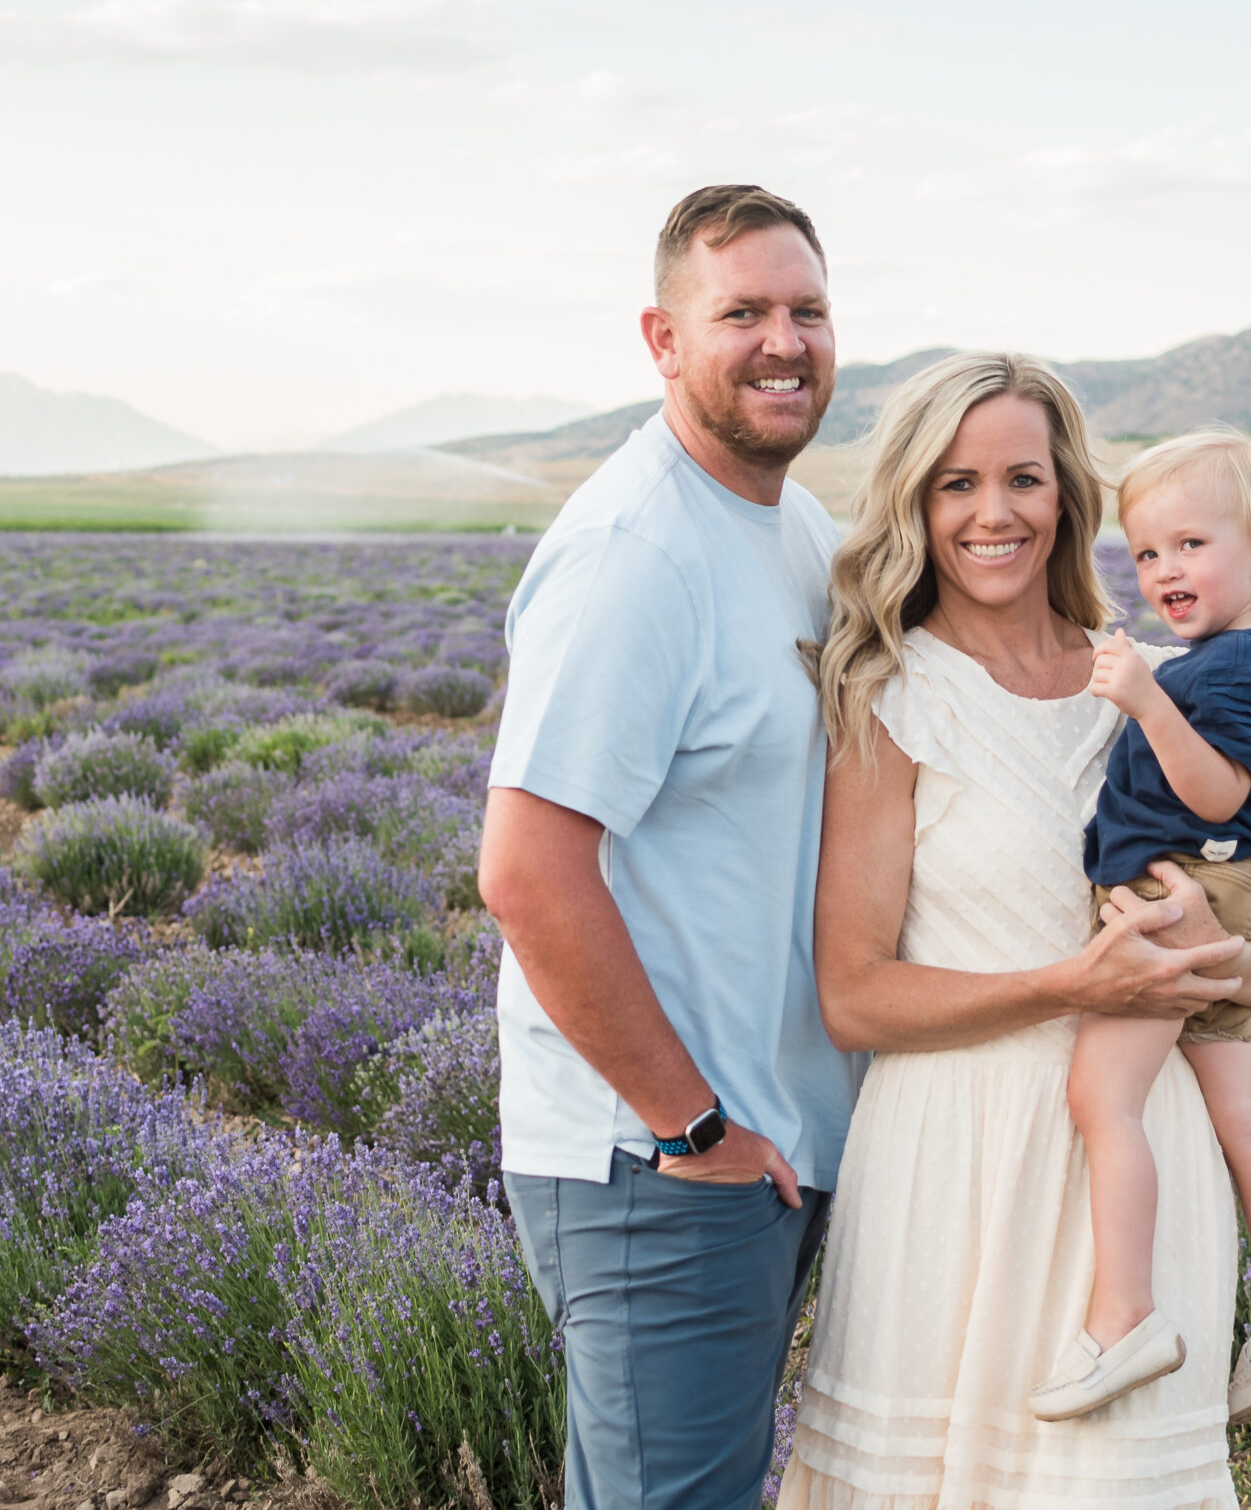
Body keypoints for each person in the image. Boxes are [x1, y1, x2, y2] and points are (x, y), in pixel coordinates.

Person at [780, 355, 1251, 1510]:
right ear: (916, 503)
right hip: (952, 1166)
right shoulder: (888, 693)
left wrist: (1219, 955)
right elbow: (855, 998)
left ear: (1067, 496)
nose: (993, 513)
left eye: (1023, 478)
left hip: (1143, 1157)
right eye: (955, 484)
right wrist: (1080, 981)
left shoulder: (1153, 679)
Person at [478, 183, 861, 1510]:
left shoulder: (793, 526)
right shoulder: (637, 549)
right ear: (662, 337)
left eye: (807, 309)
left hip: (761, 1144)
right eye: (741, 310)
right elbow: (527, 867)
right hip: (662, 1158)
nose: (782, 341)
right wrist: (689, 1120)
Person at [1032, 430, 1251, 1427]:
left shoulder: (1236, 667)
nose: (1164, 570)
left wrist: (1142, 698)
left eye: (1189, 545)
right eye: (1147, 552)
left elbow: (1215, 792)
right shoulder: (1239, 655)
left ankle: (1123, 1319)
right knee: (1243, 1119)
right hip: (1223, 895)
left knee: (1100, 1098)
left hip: (1180, 901)